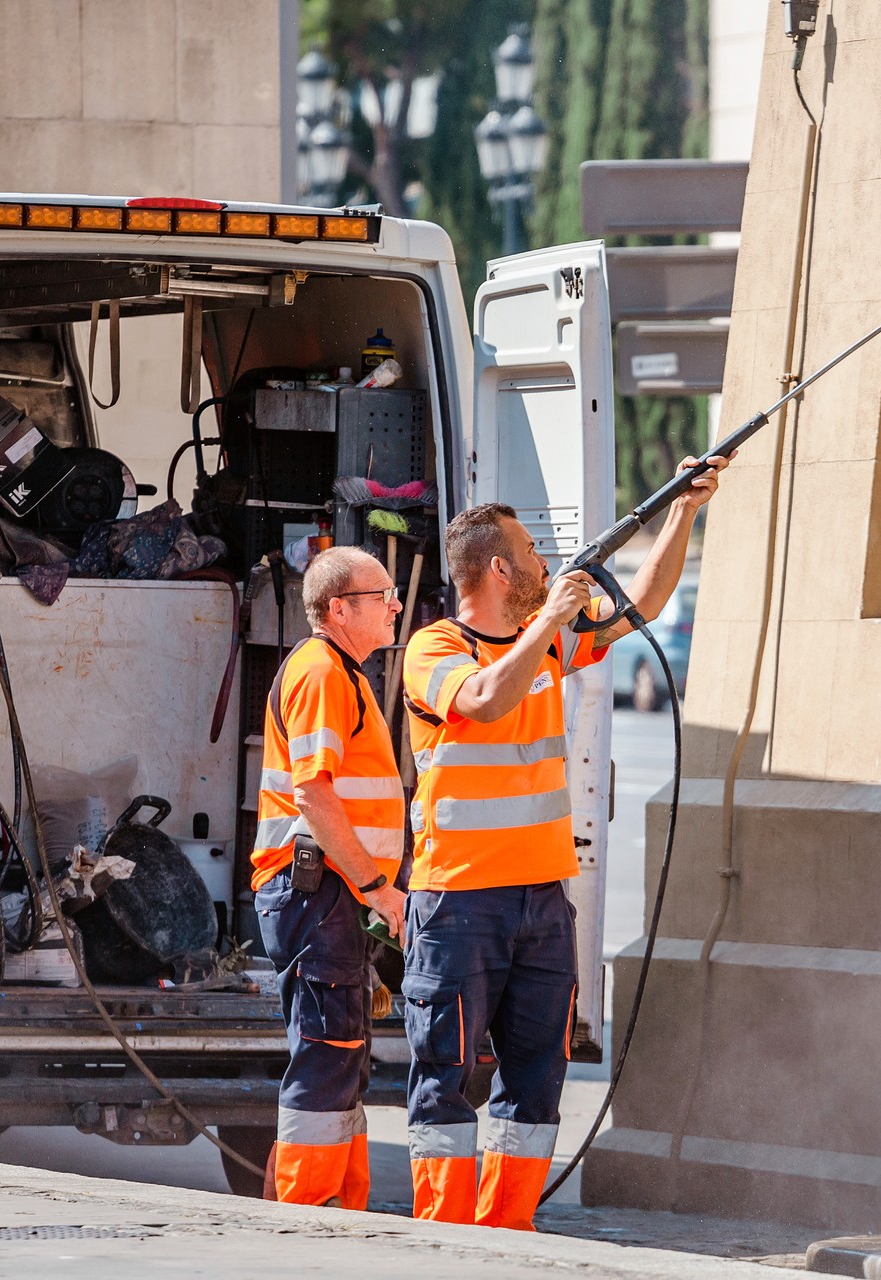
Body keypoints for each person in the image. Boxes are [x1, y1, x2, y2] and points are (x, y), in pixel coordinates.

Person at [400, 454, 726, 1230]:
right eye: (535, 556)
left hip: (543, 901)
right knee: (445, 1076)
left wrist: (684, 508)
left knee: (537, 1079)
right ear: (501, 570)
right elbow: (482, 702)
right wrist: (547, 621)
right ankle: (440, 1238)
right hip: (458, 904)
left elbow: (641, 603)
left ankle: (507, 1228)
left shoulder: (547, 643)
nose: (549, 566)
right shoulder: (438, 650)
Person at [250, 546, 408, 1207]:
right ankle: (303, 1221)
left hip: (329, 893)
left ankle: (336, 1210)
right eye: (383, 595)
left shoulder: (340, 672)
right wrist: (377, 887)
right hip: (320, 892)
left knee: (340, 1050)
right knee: (328, 1047)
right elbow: (315, 797)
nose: (397, 605)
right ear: (340, 609)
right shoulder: (321, 673)